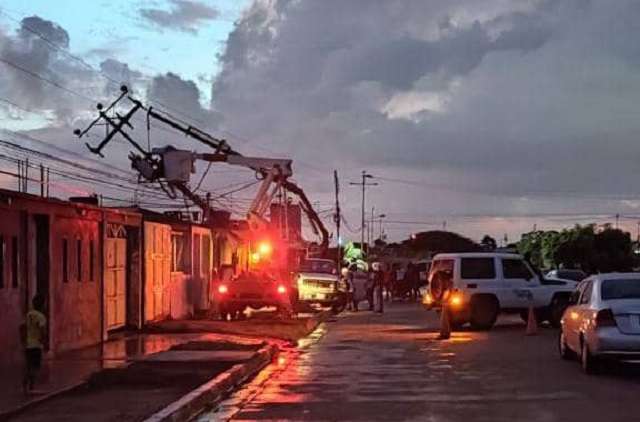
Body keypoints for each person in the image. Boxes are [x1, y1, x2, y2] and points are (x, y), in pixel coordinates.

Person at [20, 294, 47, 393]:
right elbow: (42, 329)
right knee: (35, 366)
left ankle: (24, 385)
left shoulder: (29, 314)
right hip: (36, 344)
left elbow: (22, 326)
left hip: (28, 344)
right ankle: (31, 386)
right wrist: (43, 340)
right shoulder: (41, 317)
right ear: (42, 305)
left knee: (28, 365)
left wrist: (23, 340)